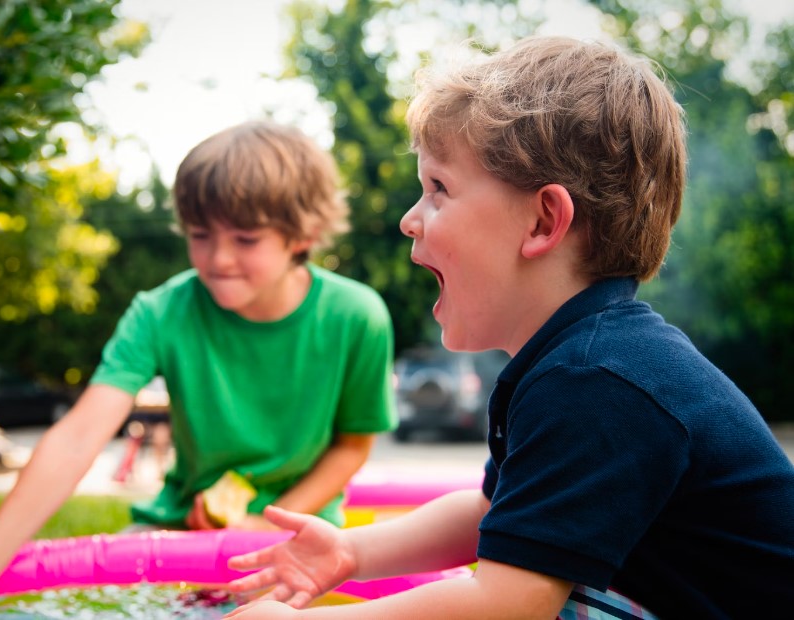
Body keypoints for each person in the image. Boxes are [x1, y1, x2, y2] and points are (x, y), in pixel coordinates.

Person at [221, 36, 794, 619]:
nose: (409, 219)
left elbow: (507, 605)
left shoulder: (600, 381)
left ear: (544, 220)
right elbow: (489, 512)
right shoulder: (578, 362)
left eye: (438, 189)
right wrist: (349, 551)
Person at [0, 120, 398, 607]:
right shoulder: (160, 312)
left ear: (302, 234)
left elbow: (351, 447)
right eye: (200, 235)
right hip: (177, 528)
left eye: (246, 239)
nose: (219, 259)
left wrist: (265, 522)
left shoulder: (357, 316)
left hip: (301, 536)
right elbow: (77, 438)